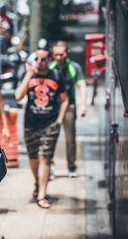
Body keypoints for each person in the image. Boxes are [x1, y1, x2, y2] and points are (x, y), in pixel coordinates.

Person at [15, 47, 68, 209]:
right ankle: (37, 184)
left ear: (49, 60)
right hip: (31, 123)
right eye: (37, 58)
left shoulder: (56, 76)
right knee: (33, 158)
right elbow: (18, 96)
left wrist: (59, 120)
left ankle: (42, 195)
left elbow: (64, 100)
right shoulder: (29, 75)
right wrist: (30, 73)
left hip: (50, 123)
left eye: (44, 59)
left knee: (45, 158)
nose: (40, 62)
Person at [50, 41, 87, 178]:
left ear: (67, 53)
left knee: (70, 139)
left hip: (69, 107)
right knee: (50, 137)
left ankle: (71, 166)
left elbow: (81, 85)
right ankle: (50, 167)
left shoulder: (73, 67)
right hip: (52, 108)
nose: (58, 57)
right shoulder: (50, 66)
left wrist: (83, 105)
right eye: (55, 54)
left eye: (61, 54)